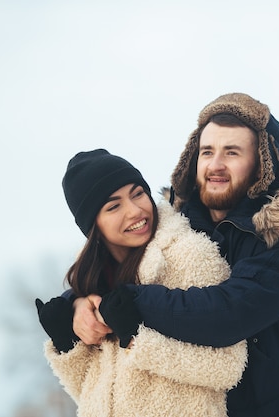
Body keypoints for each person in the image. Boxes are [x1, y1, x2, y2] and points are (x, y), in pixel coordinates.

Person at [72, 93, 279, 416]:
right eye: (207, 151)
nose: (215, 165)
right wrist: (76, 305)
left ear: (263, 164)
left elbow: (229, 314)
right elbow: (115, 266)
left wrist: (130, 301)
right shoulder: (175, 225)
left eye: (232, 152)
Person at [35, 149, 248, 417]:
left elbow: (228, 367)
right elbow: (96, 394)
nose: (135, 211)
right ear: (92, 225)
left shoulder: (189, 255)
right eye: (114, 206)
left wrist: (136, 338)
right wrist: (68, 345)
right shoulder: (95, 281)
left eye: (137, 194)